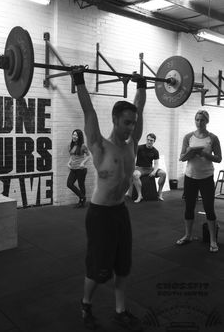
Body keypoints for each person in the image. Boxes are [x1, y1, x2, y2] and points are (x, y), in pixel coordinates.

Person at [71, 66, 146, 331]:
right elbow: (89, 111)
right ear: (115, 120)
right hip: (100, 214)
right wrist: (78, 79)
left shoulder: (132, 147)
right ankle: (86, 305)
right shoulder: (100, 146)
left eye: (133, 123)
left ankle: (120, 310)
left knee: (123, 266)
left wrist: (141, 84)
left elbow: (139, 106)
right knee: (98, 270)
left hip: (120, 212)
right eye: (127, 122)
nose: (131, 128)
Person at [176, 110, 222, 253]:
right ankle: (188, 235)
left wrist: (204, 154)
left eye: (202, 120)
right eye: (197, 120)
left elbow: (219, 158)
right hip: (190, 177)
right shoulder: (188, 137)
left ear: (206, 121)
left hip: (206, 177)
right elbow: (182, 157)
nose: (199, 122)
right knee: (189, 207)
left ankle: (213, 241)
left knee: (209, 208)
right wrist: (189, 153)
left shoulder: (213, 138)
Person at [126, 133, 166, 202]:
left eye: (151, 140)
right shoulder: (139, 148)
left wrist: (154, 171)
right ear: (146, 140)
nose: (149, 141)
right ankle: (140, 195)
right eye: (148, 140)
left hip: (150, 169)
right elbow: (132, 156)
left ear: (154, 141)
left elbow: (156, 164)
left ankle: (159, 192)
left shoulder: (155, 151)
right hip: (140, 168)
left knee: (163, 173)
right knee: (135, 175)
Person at [67, 129, 90, 208]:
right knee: (69, 184)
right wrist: (68, 162)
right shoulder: (71, 144)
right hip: (73, 169)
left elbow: (88, 156)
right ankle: (82, 197)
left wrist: (83, 163)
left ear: (79, 136)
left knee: (81, 185)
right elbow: (72, 156)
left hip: (81, 169)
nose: (74, 136)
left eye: (76, 135)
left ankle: (81, 202)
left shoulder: (83, 146)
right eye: (73, 134)